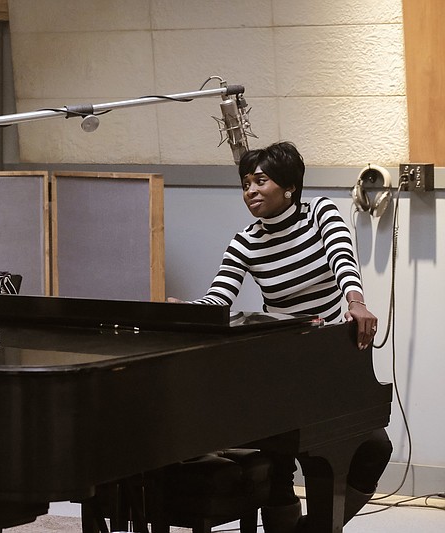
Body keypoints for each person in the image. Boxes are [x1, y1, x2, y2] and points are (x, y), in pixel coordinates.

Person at [170, 141, 392, 532]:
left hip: (328, 357)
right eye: (245, 184)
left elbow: (343, 258)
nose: (250, 191)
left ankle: (314, 528)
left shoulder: (319, 212)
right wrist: (185, 309)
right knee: (281, 459)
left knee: (376, 447)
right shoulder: (245, 242)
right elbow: (218, 298)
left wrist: (355, 299)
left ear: (289, 186)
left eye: (261, 181)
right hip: (280, 363)